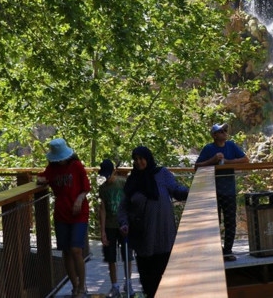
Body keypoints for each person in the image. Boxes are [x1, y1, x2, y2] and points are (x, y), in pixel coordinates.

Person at [118, 146, 188, 298]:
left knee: (166, 277)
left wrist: (192, 192)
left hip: (163, 234)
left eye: (141, 158)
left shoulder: (162, 174)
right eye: (135, 159)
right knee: (148, 280)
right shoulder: (132, 180)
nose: (138, 162)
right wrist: (124, 223)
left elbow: (176, 191)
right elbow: (123, 207)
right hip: (143, 237)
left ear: (148, 158)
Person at [37, 138, 91, 298]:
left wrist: (80, 199)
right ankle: (74, 286)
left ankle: (82, 286)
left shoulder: (76, 166)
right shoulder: (52, 169)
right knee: (66, 251)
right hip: (61, 214)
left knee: (76, 249)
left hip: (79, 213)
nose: (60, 161)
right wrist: (40, 180)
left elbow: (86, 187)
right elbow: (42, 177)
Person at [195, 122, 249, 261]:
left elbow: (246, 160)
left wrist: (228, 162)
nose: (224, 132)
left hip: (229, 191)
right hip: (212, 192)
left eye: (225, 130)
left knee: (231, 222)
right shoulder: (208, 148)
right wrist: (213, 160)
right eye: (221, 131)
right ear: (214, 135)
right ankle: (215, 251)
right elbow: (197, 166)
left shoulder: (231, 145)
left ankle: (228, 251)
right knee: (214, 224)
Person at [98, 158, 134, 298]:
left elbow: (130, 203)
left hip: (123, 224)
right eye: (104, 175)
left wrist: (130, 222)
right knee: (111, 257)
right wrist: (102, 232)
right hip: (110, 226)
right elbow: (102, 210)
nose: (107, 177)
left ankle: (128, 282)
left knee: (127, 256)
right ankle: (114, 286)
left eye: (109, 174)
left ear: (114, 171)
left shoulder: (123, 183)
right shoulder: (103, 189)